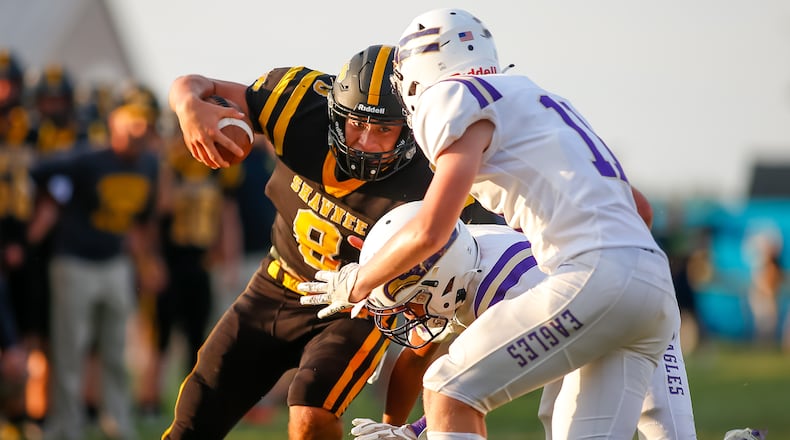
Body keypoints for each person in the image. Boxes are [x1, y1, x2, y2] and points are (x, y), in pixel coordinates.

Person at [298, 9, 683, 439]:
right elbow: (641, 210)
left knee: (446, 389)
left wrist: (357, 282)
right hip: (654, 287)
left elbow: (432, 230)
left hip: (596, 276)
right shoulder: (536, 97)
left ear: (413, 75)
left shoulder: (449, 98)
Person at [164, 44, 500, 439]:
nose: (365, 141)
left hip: (357, 308)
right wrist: (188, 105)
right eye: (356, 123)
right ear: (335, 112)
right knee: (197, 409)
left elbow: (494, 241)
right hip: (276, 281)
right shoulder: (299, 106)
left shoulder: (436, 173)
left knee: (310, 411)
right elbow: (195, 86)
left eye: (383, 129)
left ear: (411, 127)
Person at [333, 201, 695, 439]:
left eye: (410, 303)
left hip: (612, 310)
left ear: (439, 277)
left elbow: (481, 383)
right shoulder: (460, 264)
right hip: (619, 297)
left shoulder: (505, 285)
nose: (409, 315)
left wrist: (415, 430)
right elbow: (423, 358)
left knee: (655, 430)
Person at [31, 103, 164, 440]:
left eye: (143, 129)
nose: (137, 138)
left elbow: (141, 220)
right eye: (132, 129)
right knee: (70, 350)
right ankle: (66, 426)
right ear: (115, 129)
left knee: (116, 351)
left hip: (114, 262)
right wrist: (56, 202)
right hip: (74, 262)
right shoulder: (87, 159)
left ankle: (117, 423)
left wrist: (145, 261)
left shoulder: (149, 164)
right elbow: (39, 171)